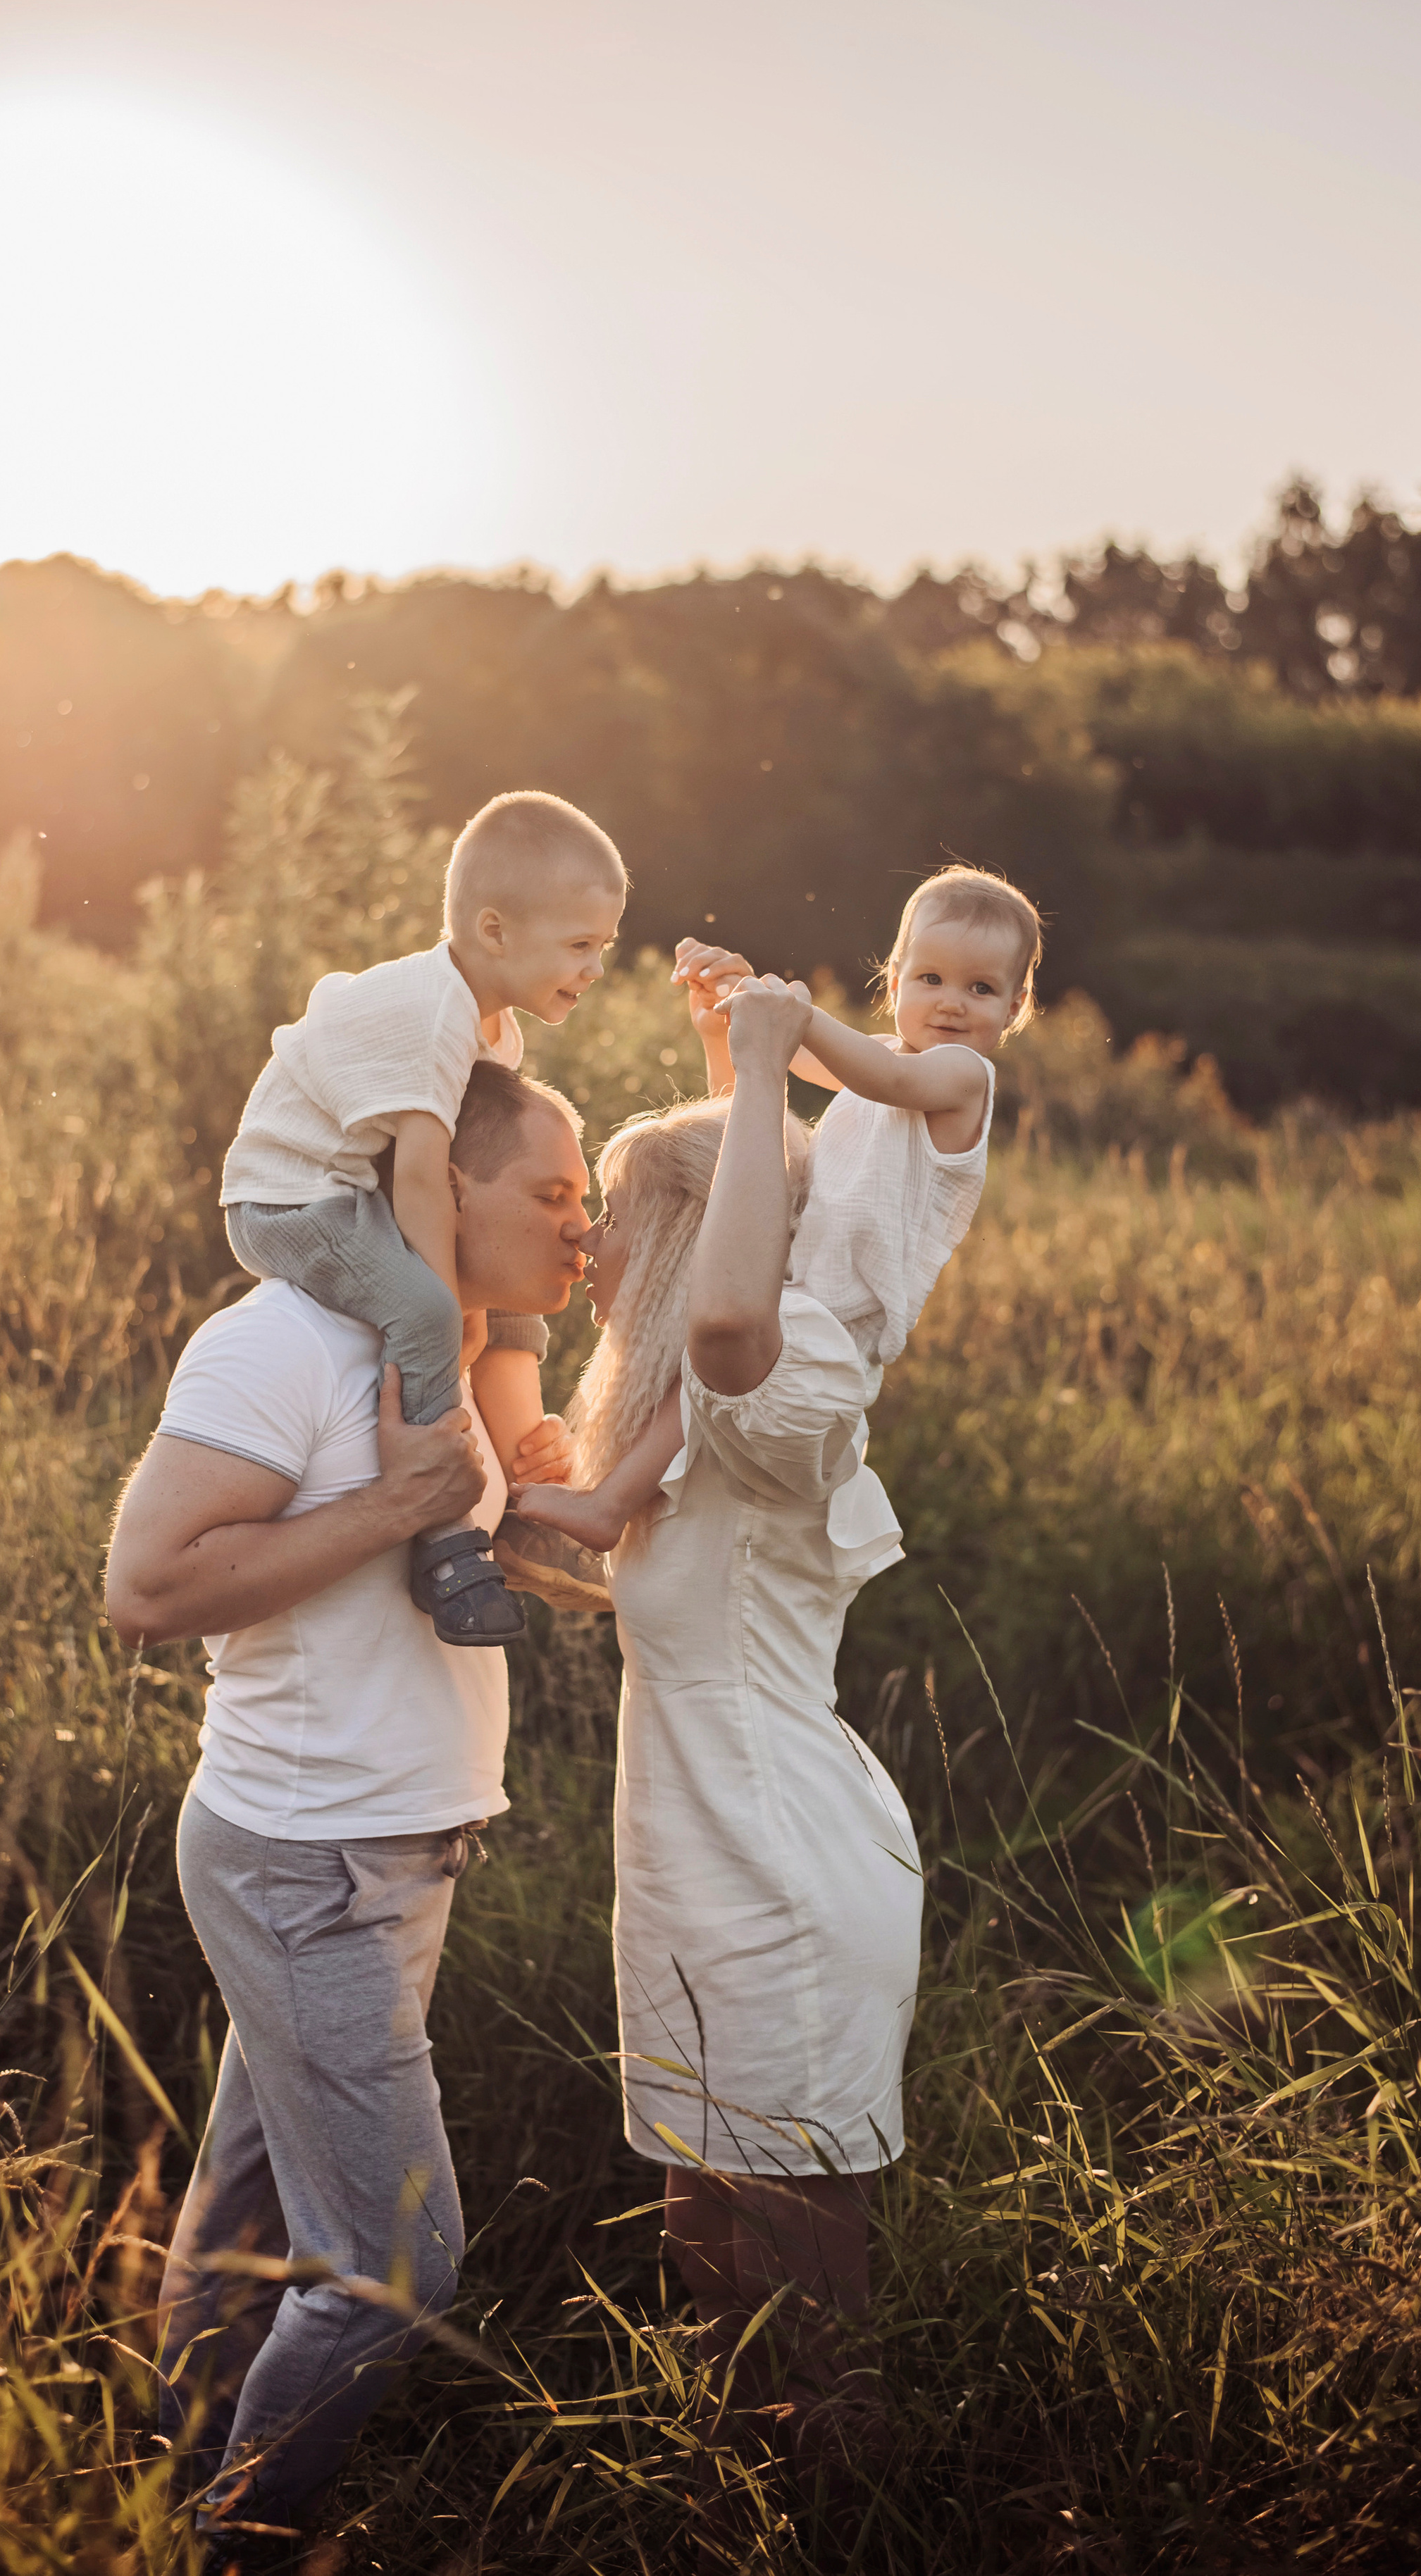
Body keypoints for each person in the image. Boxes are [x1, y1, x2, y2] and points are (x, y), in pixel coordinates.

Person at [104, 1062, 592, 2576]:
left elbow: (446, 1572)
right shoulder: (280, 1348)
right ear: (444, 1191)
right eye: (555, 1197)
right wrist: (389, 1511)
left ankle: (169, 2481)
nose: (580, 1233)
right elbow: (146, 1588)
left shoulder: (442, 1363)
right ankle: (229, 2546)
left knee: (253, 2210)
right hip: (306, 1860)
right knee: (388, 2266)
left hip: (393, 1850)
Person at [564, 976, 922, 2472]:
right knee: (704, 2252)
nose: (587, 1243)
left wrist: (768, 1063)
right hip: (691, 1884)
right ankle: (729, 2515)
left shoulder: (781, 1394)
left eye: (613, 1219)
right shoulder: (666, 1438)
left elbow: (725, 1307)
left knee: (803, 2320)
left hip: (778, 1883)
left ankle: (840, 2532)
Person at [514, 861, 1041, 1557]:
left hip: (839, 1317)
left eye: (981, 989)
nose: (950, 1004)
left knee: (703, 1369)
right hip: (798, 1286)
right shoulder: (879, 1057)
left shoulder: (958, 1076)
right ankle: (608, 1497)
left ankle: (608, 1504)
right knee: (694, 1376)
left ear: (1015, 1007)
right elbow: (761, 1121)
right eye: (930, 979)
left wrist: (782, 1009)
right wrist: (731, 1007)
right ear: (893, 982)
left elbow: (880, 1075)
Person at [219, 789, 625, 1642]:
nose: (595, 970)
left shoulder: (496, 1028)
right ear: (494, 932)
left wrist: (485, 1299)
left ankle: (529, 1500)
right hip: (290, 1199)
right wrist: (447, 1312)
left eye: (604, 948)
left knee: (502, 1284)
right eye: (580, 947)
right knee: (430, 1307)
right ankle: (444, 1542)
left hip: (350, 1188)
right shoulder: (434, 1015)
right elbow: (417, 1181)